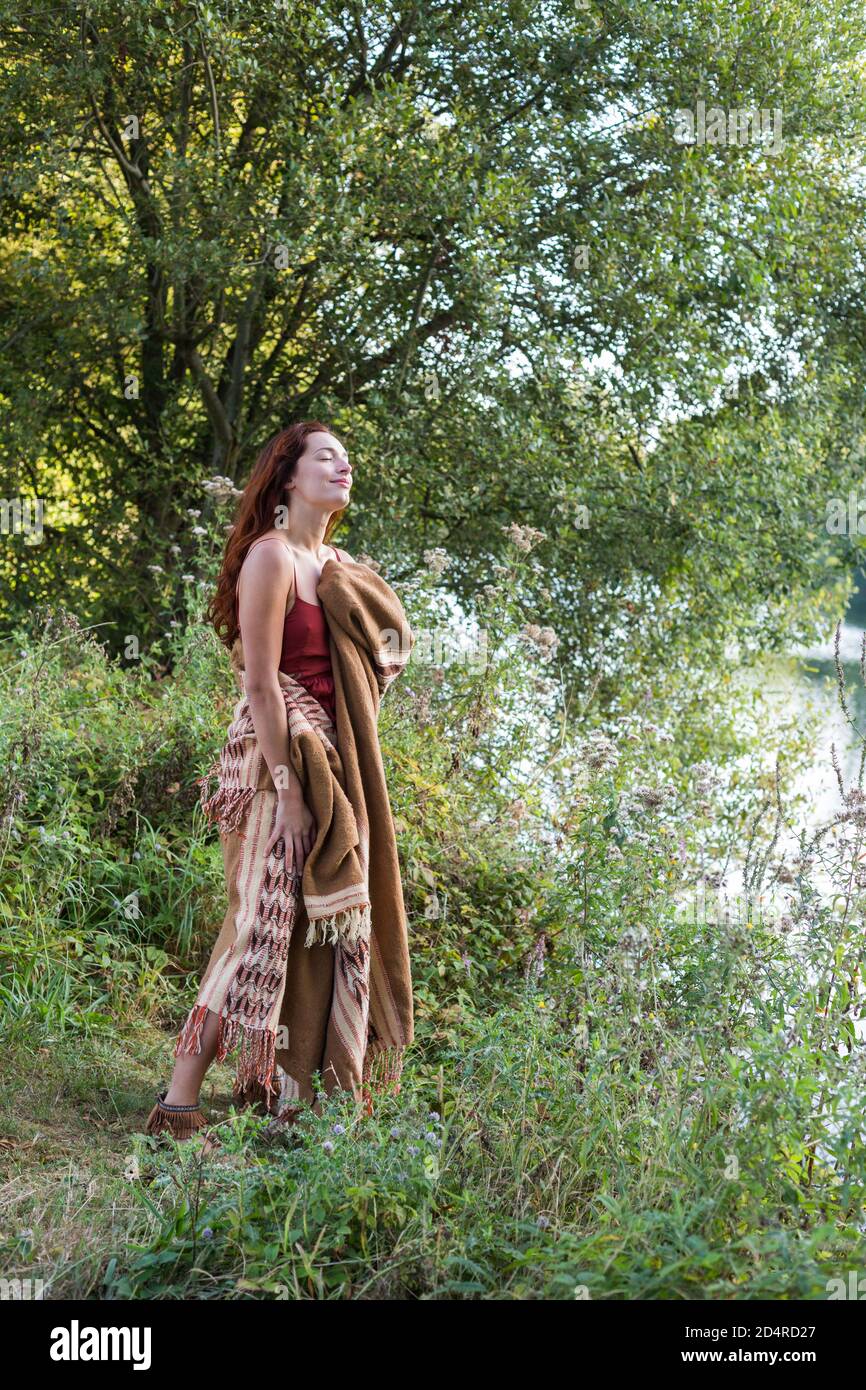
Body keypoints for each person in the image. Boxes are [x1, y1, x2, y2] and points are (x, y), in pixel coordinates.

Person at [143, 420, 413, 1146]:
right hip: (274, 766)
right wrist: (292, 788)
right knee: (256, 925)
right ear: (289, 474)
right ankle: (177, 1105)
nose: (343, 466)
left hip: (334, 763)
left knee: (316, 933)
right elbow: (261, 683)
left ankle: (294, 1096)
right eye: (327, 455)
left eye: (348, 458)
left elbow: (391, 649)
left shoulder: (336, 564)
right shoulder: (271, 557)